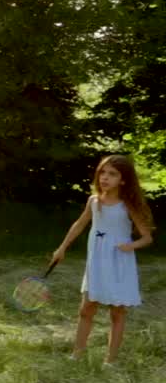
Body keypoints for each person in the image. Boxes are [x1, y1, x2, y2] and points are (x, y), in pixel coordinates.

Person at [51, 154, 153, 366]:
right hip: (97, 262)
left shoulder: (127, 205)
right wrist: (62, 248)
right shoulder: (94, 201)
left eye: (112, 174)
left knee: (117, 312)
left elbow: (146, 237)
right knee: (86, 308)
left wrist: (129, 246)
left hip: (119, 262)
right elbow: (79, 225)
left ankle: (110, 361)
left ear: (123, 180)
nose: (105, 178)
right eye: (102, 173)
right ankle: (77, 355)